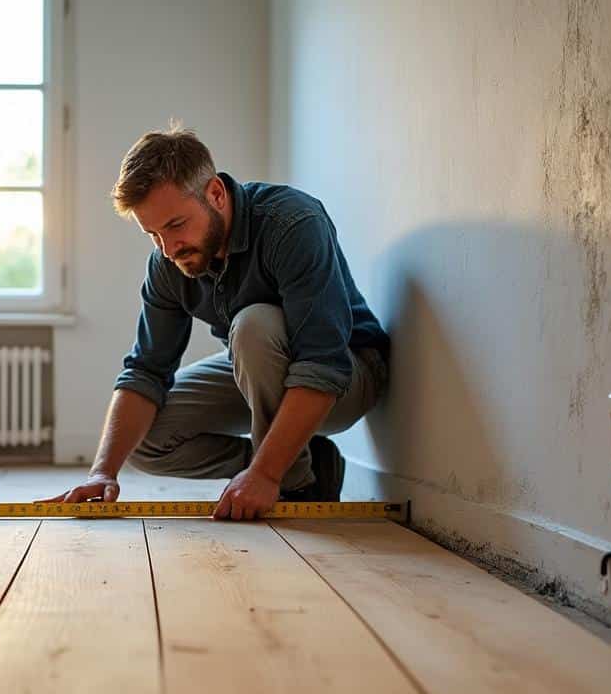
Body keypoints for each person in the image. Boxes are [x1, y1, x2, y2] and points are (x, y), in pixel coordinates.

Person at [39, 125, 390, 520]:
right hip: (257, 371)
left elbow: (323, 364)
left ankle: (291, 478)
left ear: (216, 194)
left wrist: (265, 474)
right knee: (142, 440)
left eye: (175, 225)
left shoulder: (292, 223)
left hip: (348, 374)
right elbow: (145, 371)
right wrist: (103, 471)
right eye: (152, 234)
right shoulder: (168, 262)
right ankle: (309, 462)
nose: (168, 249)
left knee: (253, 325)